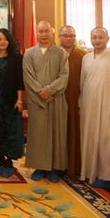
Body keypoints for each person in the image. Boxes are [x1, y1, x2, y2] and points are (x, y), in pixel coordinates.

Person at [79, 27, 110, 188]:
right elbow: (82, 84)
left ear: (108, 39)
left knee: (104, 141)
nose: (97, 40)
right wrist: (80, 104)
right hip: (88, 106)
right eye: (94, 37)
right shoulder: (86, 58)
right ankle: (88, 173)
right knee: (88, 139)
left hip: (107, 107)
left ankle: (105, 176)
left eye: (100, 37)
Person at [22, 21, 69, 183]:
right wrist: (40, 93)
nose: (43, 34)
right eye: (40, 31)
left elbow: (64, 76)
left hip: (56, 99)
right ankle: (39, 167)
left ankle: (55, 168)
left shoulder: (61, 53)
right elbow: (28, 77)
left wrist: (48, 91)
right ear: (36, 33)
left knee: (57, 133)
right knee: (38, 134)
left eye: (46, 31)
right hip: (37, 102)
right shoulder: (29, 53)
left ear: (52, 33)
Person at [0, 28, 25, 178]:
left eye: (4, 39)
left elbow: (20, 80)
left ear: (9, 41)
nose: (2, 42)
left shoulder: (16, 58)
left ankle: (9, 162)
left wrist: (20, 100)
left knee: (11, 131)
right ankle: (0, 160)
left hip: (11, 102)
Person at [58, 25, 87, 180]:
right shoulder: (54, 53)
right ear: (59, 37)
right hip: (57, 99)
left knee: (74, 131)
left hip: (75, 99)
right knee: (58, 132)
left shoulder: (83, 55)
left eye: (71, 35)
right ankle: (57, 166)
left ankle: (74, 167)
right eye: (65, 35)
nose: (68, 38)